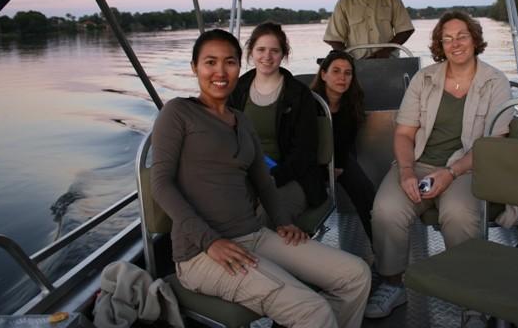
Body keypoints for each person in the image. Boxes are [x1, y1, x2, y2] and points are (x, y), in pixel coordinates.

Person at [150, 29, 371, 327]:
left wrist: (283, 221)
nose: (220, 71)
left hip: (253, 234)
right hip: (200, 253)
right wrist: (210, 241)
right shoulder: (177, 112)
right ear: (194, 67)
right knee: (312, 309)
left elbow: (263, 180)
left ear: (239, 66)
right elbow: (161, 183)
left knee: (356, 275)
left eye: (229, 62)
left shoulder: (241, 120)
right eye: (210, 62)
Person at [364, 11, 513, 319]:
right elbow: (404, 133)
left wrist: (451, 172)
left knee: (458, 214)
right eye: (447, 39)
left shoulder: (494, 81)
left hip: (469, 166)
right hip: (418, 163)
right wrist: (406, 171)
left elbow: (494, 143)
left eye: (461, 36)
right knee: (385, 211)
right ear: (439, 45)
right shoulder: (424, 78)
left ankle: (473, 303)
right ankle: (393, 284)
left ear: (474, 39)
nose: (455, 43)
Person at [229, 22, 326, 221]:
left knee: (264, 216)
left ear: (283, 54)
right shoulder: (237, 89)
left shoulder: (299, 94)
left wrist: (273, 178)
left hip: (292, 178)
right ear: (251, 52)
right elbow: (226, 138)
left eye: (274, 50)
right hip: (244, 177)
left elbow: (305, 152)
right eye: (261, 49)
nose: (267, 56)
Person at [311, 50, 376, 242]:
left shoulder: (352, 103)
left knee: (365, 190)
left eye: (348, 73)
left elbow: (346, 141)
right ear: (324, 74)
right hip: (312, 161)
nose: (342, 77)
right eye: (336, 71)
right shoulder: (309, 103)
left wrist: (338, 166)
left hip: (340, 158)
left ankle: (380, 250)